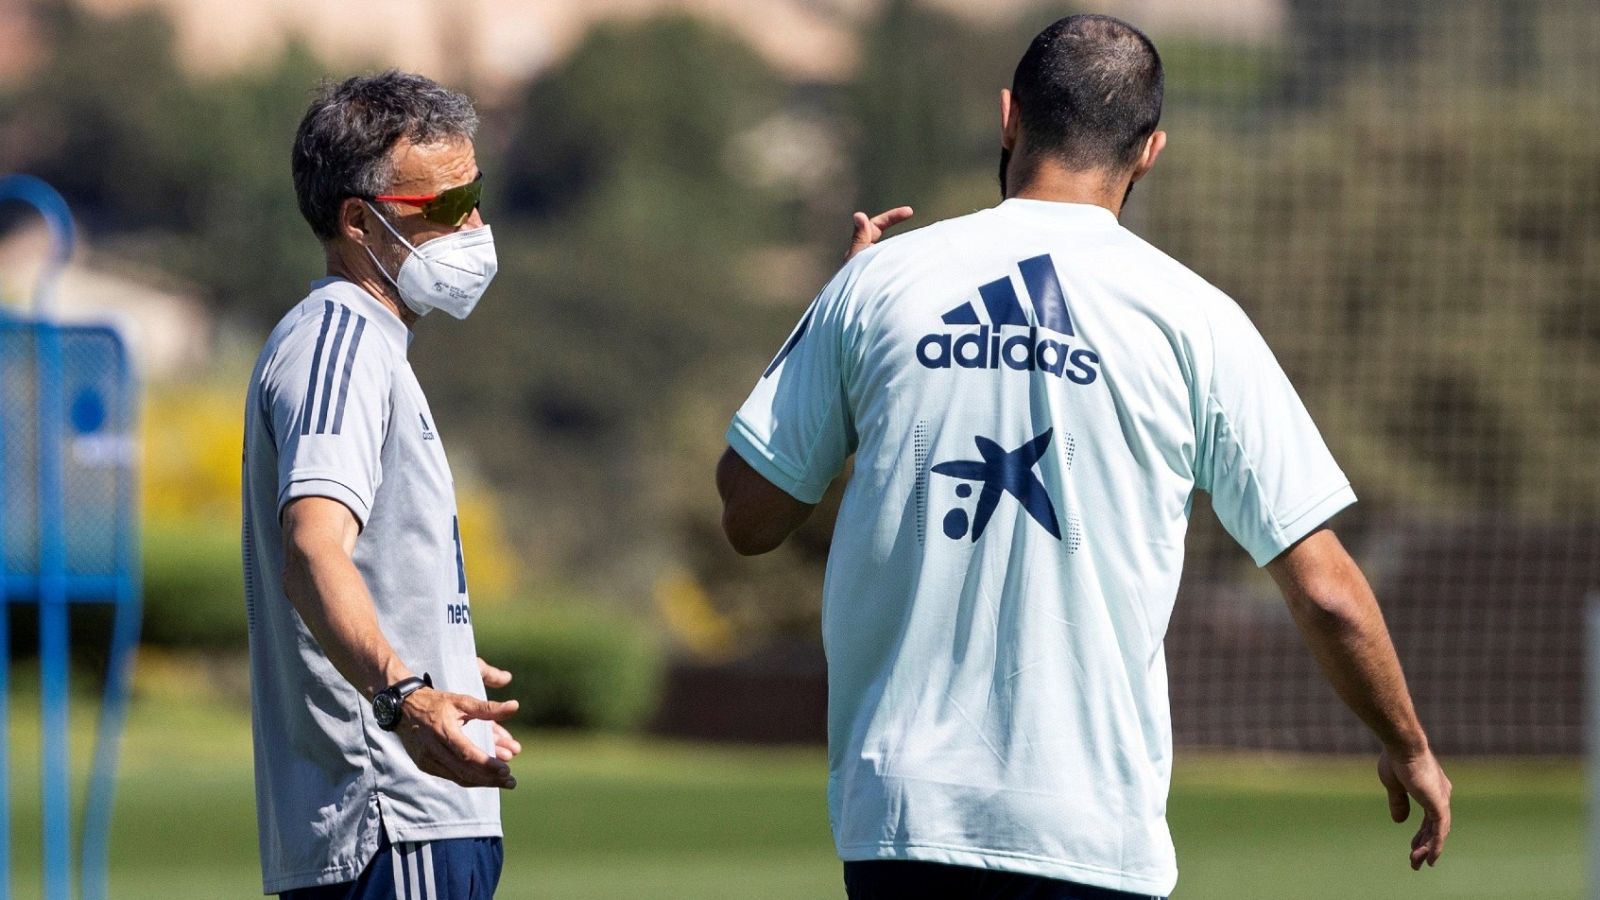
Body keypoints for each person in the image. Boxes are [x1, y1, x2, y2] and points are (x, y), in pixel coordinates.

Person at [716, 15, 1451, 900]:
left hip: (904, 819)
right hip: (1094, 836)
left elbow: (748, 515)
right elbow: (1326, 588)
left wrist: (829, 310)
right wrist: (1407, 745)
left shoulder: (878, 284)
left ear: (1008, 117)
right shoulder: (1199, 320)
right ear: (1150, 152)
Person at [241, 71, 521, 898]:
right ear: (359, 221)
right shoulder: (342, 343)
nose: (472, 225)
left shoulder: (370, 343)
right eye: (442, 205)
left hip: (413, 821)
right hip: (390, 821)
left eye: (475, 195)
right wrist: (407, 695)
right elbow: (312, 549)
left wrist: (435, 637)